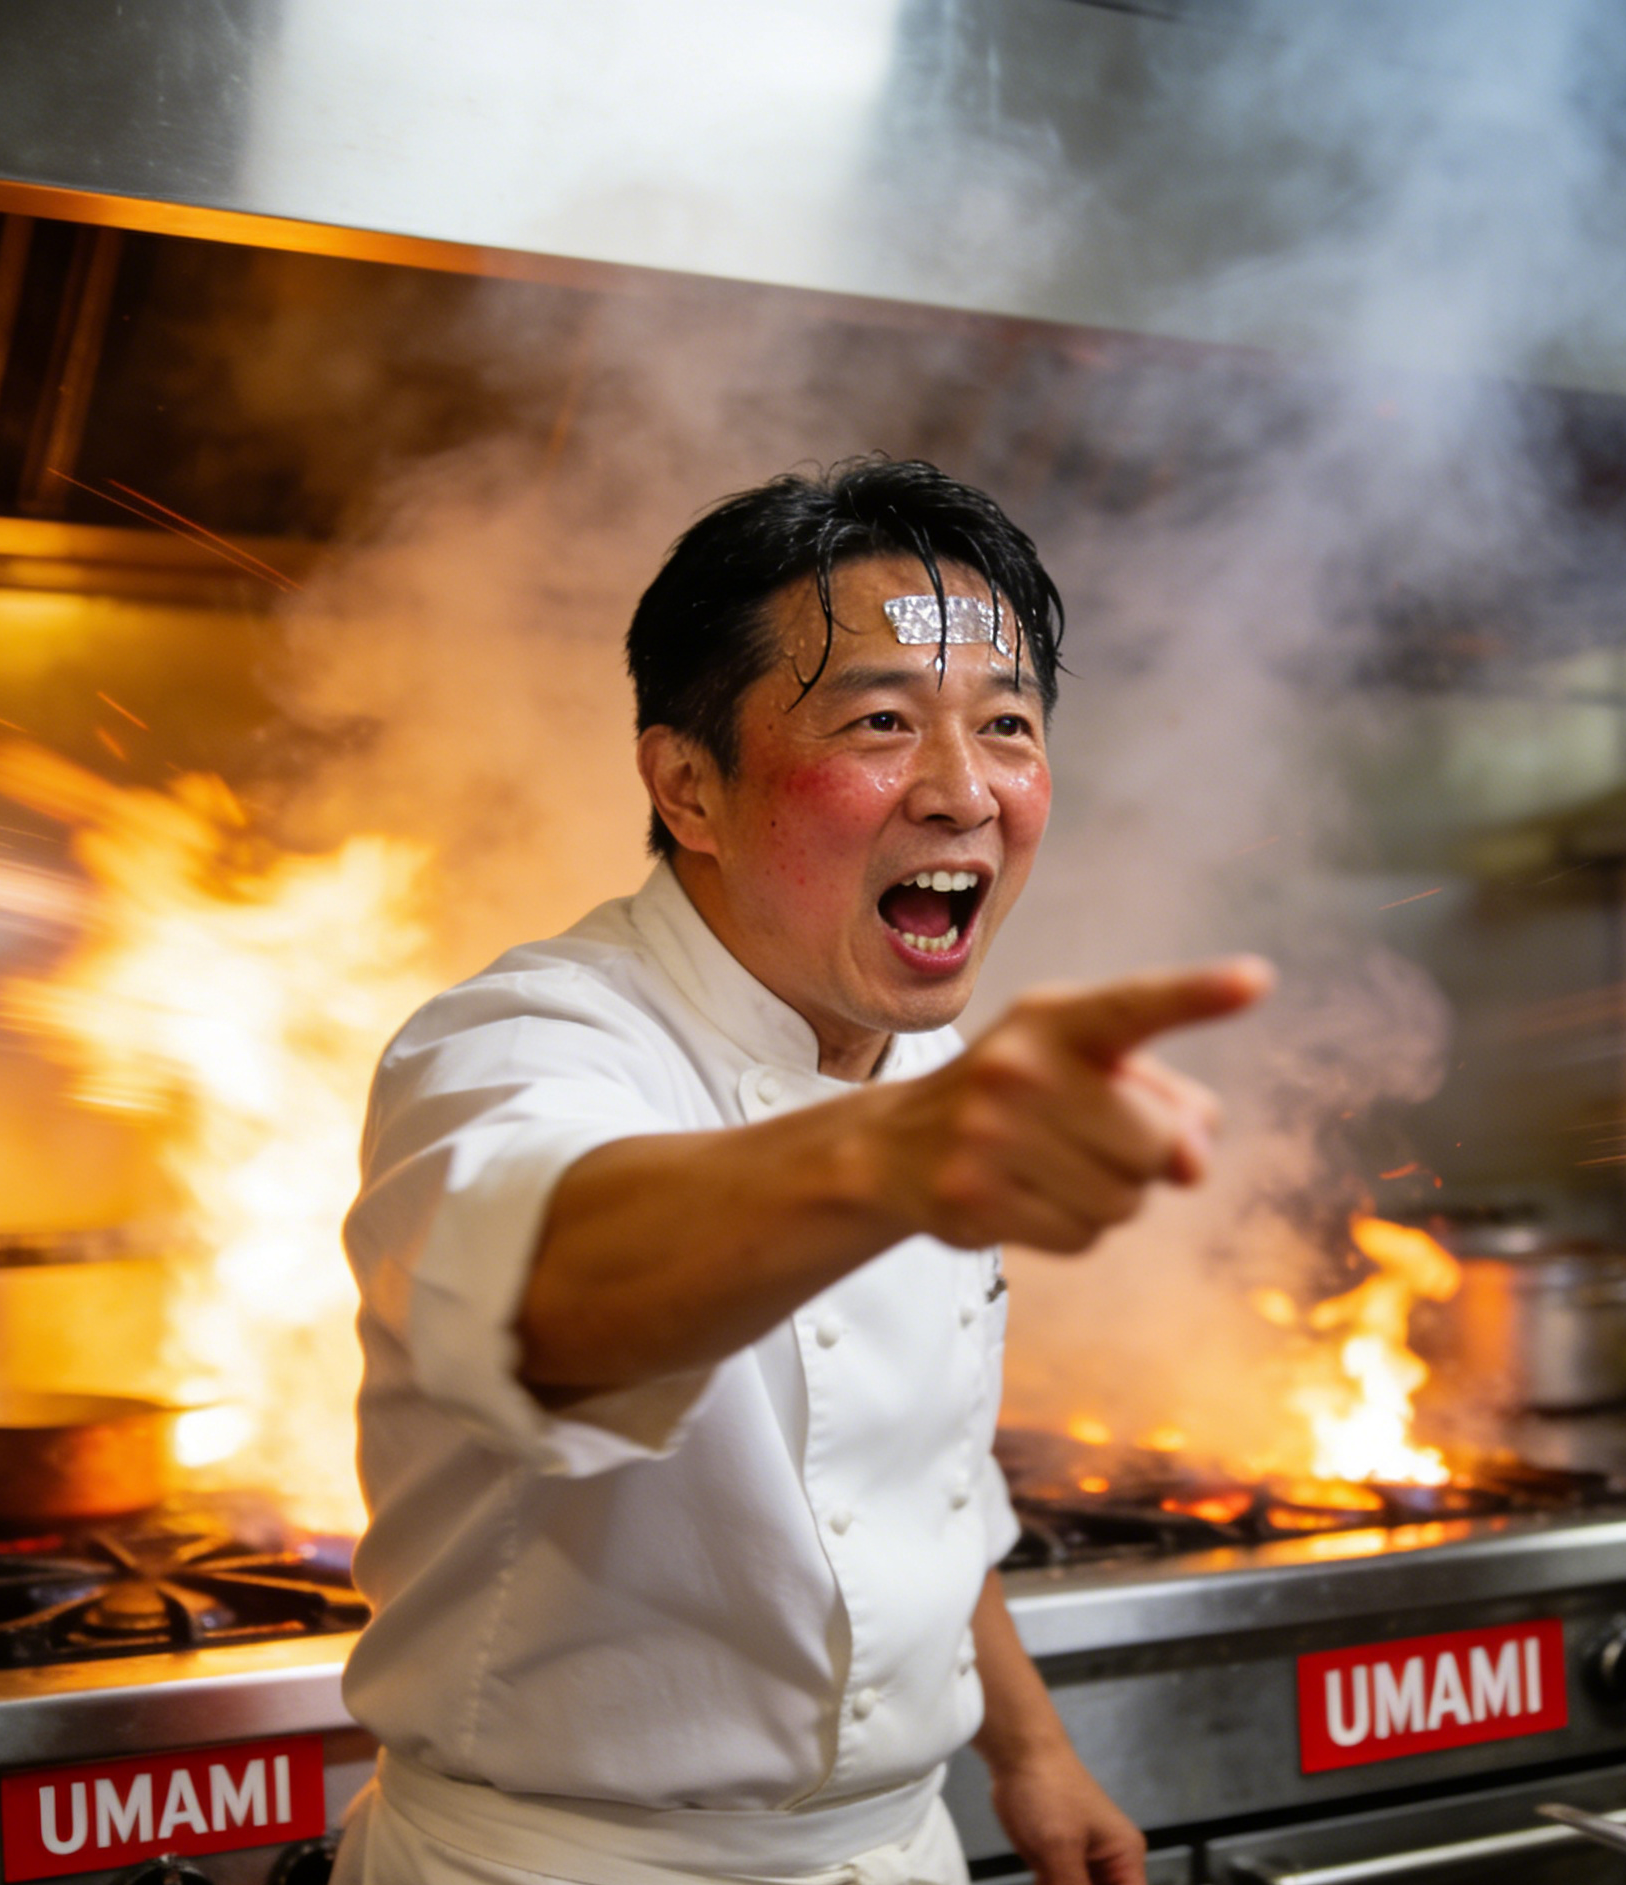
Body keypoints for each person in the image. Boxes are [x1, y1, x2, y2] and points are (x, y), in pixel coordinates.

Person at [334, 459, 1271, 1885]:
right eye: (884, 723)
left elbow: (926, 1486)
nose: (965, 791)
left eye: (1006, 725)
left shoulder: (926, 1082)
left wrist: (1026, 1752)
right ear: (688, 787)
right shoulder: (518, 1041)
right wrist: (898, 1157)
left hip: (897, 1851)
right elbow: (542, 1294)